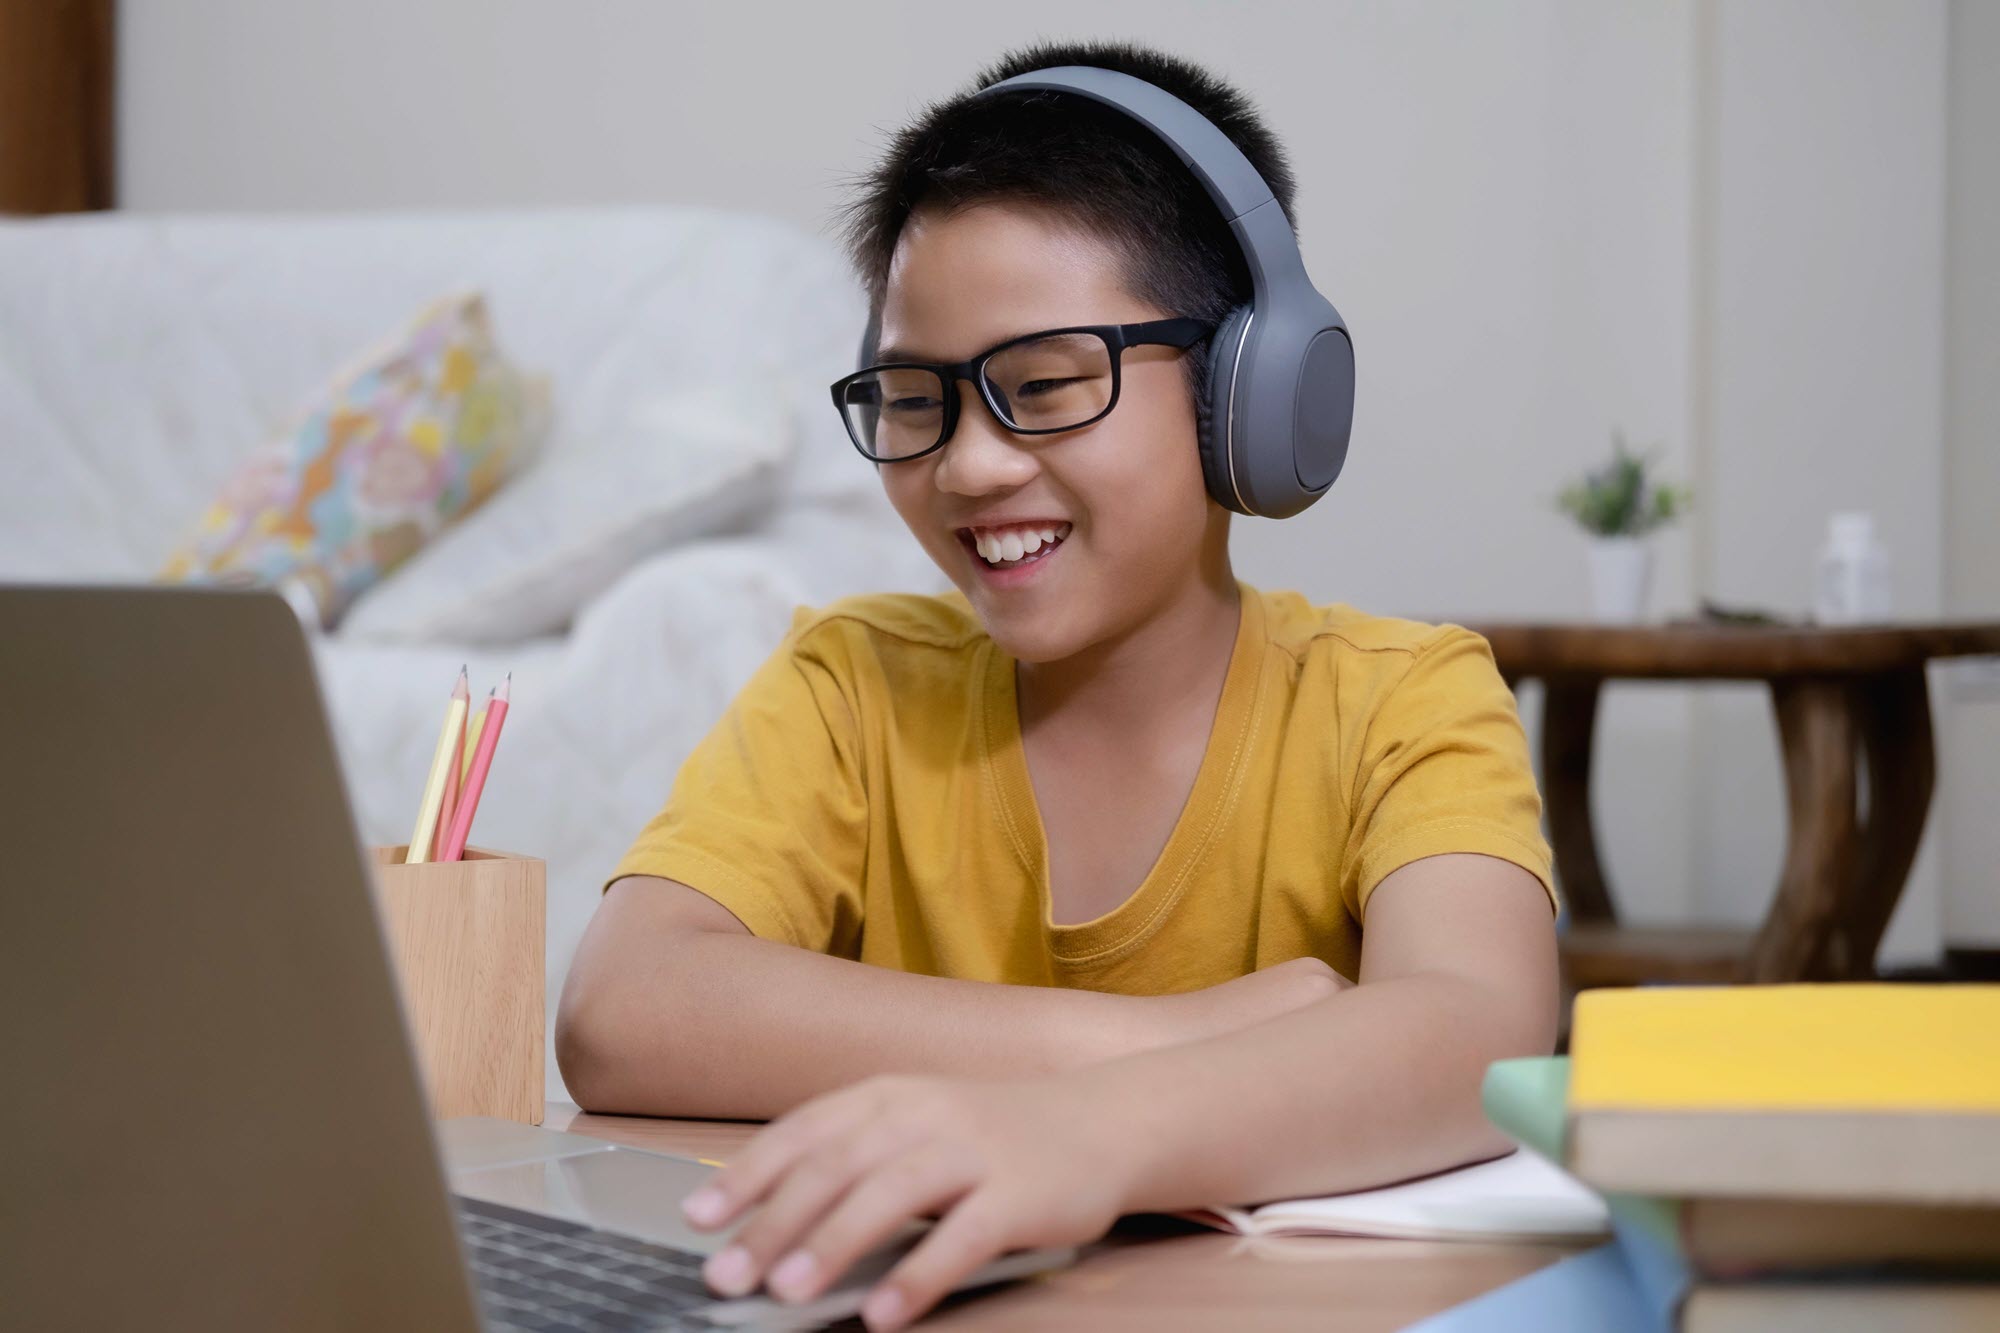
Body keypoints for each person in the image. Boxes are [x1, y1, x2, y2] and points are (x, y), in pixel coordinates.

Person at [556, 38, 1559, 1332]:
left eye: (1043, 385)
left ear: (1243, 391)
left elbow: (1479, 1029)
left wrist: (1095, 1133)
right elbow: (625, 1005)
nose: (970, 466)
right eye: (917, 398)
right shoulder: (851, 687)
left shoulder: (1402, 700)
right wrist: (1169, 1039)